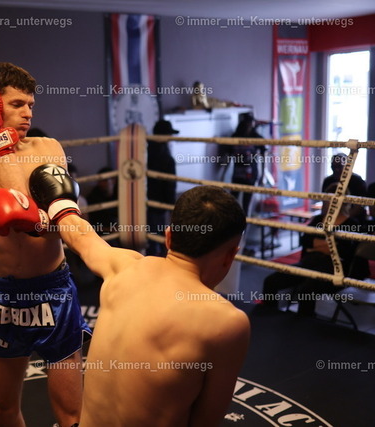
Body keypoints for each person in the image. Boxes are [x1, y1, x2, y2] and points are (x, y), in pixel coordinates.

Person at [27, 168, 250, 426]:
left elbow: (80, 235)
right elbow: (206, 421)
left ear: (169, 237)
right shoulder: (227, 321)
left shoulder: (123, 267)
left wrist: (58, 203)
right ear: (231, 255)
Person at [0, 62, 90, 427]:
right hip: (4, 294)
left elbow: (38, 219)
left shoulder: (48, 147)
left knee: (71, 415)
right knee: (2, 408)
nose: (28, 113)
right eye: (17, 104)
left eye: (31, 105)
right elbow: (14, 203)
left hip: (55, 289)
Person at [261, 183, 361, 316]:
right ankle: (267, 318)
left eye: (329, 200)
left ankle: (304, 324)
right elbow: (305, 240)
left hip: (333, 268)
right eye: (325, 200)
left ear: (340, 203)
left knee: (307, 289)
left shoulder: (351, 224)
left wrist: (316, 245)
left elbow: (344, 251)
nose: (325, 204)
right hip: (309, 263)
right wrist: (329, 245)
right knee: (271, 281)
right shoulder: (318, 219)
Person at [222, 113, 266, 215]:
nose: (249, 125)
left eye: (250, 122)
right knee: (232, 202)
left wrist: (263, 175)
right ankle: (233, 223)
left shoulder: (257, 137)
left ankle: (244, 223)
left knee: (246, 204)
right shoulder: (235, 137)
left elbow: (263, 157)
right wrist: (223, 174)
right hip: (237, 174)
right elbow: (229, 156)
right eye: (247, 122)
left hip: (251, 175)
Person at [147, 119, 178, 255]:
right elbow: (170, 185)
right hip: (160, 204)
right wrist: (171, 207)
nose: (170, 137)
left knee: (152, 238)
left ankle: (152, 261)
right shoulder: (166, 157)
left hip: (146, 201)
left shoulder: (145, 151)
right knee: (161, 238)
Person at [322, 153, 367, 223]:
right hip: (332, 218)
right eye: (333, 167)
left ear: (347, 167)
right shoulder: (328, 181)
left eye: (339, 166)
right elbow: (325, 203)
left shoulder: (357, 181)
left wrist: (342, 219)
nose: (336, 170)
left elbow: (360, 206)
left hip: (353, 219)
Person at [86, 166, 118, 236]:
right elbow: (92, 225)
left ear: (114, 180)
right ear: (98, 182)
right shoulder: (93, 198)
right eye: (103, 180)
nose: (107, 183)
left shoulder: (121, 193)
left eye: (109, 179)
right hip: (103, 233)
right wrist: (110, 229)